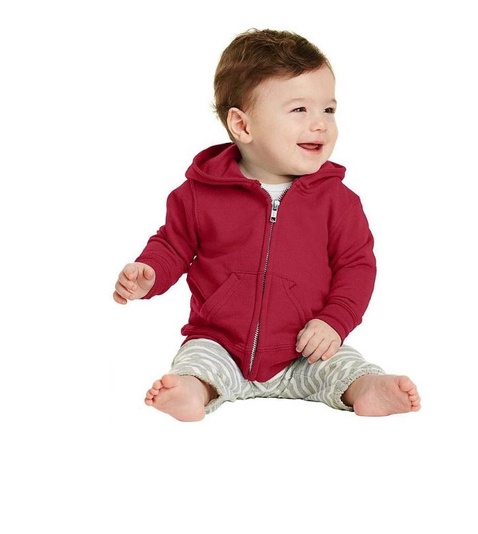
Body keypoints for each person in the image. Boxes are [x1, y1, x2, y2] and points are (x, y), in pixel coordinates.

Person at [113, 28, 420, 421]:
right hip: (222, 344)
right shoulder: (198, 194)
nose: (320, 124)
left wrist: (334, 322)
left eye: (328, 110)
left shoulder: (338, 202)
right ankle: (192, 390)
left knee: (343, 364)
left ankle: (367, 389)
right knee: (197, 359)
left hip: (305, 349)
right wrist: (150, 273)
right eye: (300, 110)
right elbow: (172, 245)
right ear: (242, 126)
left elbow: (356, 267)